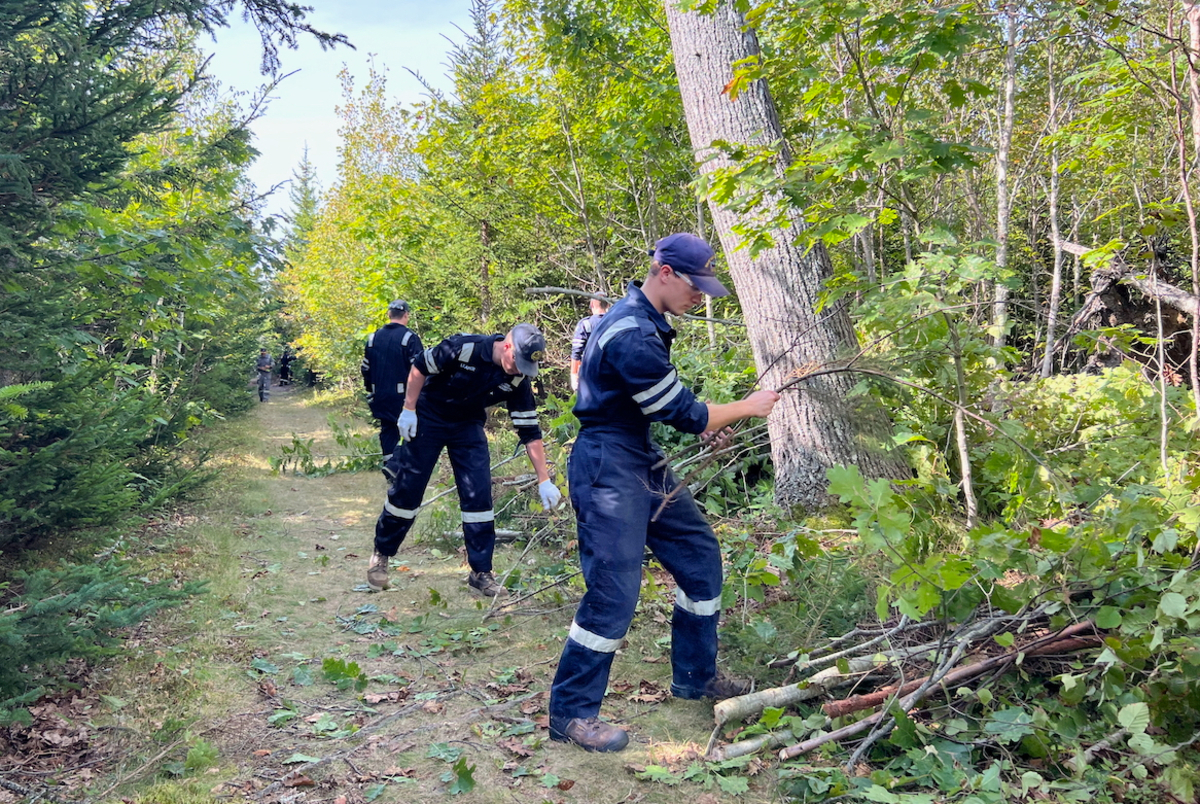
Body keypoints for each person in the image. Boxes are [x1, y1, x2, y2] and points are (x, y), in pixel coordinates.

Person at [548, 233, 780, 752]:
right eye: (696, 286)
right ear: (666, 273)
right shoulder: (631, 331)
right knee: (613, 592)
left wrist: (701, 424)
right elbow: (686, 411)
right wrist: (745, 407)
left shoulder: (647, 322)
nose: (701, 296)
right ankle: (571, 715)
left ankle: (696, 677)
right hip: (609, 465)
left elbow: (667, 407)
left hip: (639, 457)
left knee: (699, 558)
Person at [369, 324, 564, 597]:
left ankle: (481, 572)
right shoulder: (463, 348)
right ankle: (382, 555)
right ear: (506, 346)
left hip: (468, 425)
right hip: (429, 417)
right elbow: (420, 367)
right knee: (408, 490)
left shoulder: (519, 378)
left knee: (479, 497)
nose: (518, 369)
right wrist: (408, 409)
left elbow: (529, 430)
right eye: (516, 362)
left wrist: (543, 479)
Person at [361, 300, 425, 475]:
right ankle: (395, 465)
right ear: (406, 315)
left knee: (388, 429)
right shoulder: (409, 338)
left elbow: (365, 368)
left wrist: (371, 389)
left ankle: (390, 464)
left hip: (380, 395)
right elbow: (420, 369)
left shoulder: (373, 337)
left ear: (389, 315)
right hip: (404, 397)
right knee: (415, 429)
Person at [570, 297, 610, 392]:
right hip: (614, 375)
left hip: (590, 376)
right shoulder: (616, 322)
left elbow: (576, 351)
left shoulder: (585, 324)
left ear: (591, 305)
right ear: (608, 305)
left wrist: (574, 375)